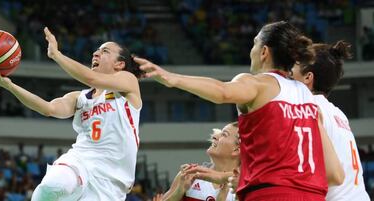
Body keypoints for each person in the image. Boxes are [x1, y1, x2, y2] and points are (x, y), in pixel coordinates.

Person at [134, 21, 344, 201]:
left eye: (254, 44)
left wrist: (172, 78)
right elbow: (335, 172)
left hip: (269, 194)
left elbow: (222, 92)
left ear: (264, 52)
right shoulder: (308, 98)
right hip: (314, 195)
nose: (251, 50)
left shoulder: (258, 83)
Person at [0, 27, 144, 200]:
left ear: (120, 64)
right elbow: (48, 108)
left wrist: (56, 54)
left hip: (110, 184)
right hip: (80, 162)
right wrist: (8, 85)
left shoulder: (127, 83)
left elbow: (90, 78)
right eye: (96, 51)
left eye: (105, 51)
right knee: (51, 186)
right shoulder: (80, 98)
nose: (95, 54)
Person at [290, 41, 370, 201]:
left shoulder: (308, 108)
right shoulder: (337, 113)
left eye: (292, 72)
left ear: (307, 77)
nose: (288, 76)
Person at [161, 122, 239, 201]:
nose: (215, 136)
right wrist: (179, 192)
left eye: (224, 134)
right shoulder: (189, 173)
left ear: (236, 150)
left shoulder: (242, 187)